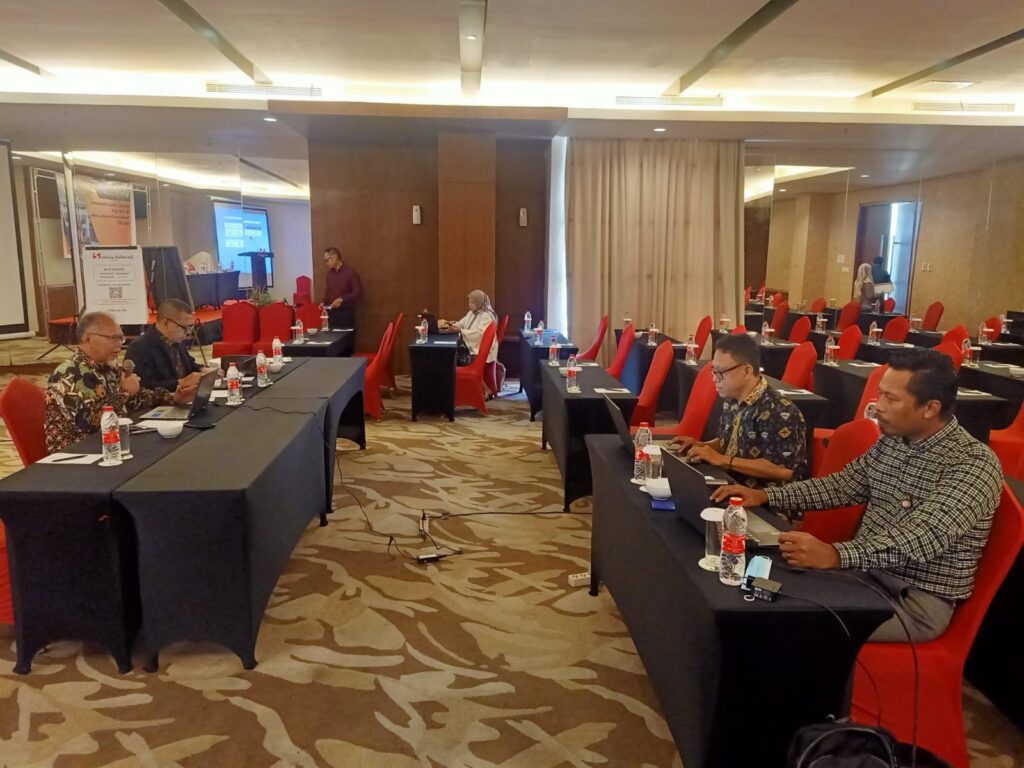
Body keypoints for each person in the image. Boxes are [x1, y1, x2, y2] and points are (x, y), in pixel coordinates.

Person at [711, 349, 1003, 642]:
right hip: (863, 575)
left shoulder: (972, 463)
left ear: (930, 408)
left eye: (891, 399)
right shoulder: (894, 440)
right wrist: (765, 496)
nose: (877, 406)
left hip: (911, 601)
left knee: (782, 624)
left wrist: (837, 554)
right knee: (756, 594)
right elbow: (842, 486)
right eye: (880, 394)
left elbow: (923, 537)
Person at [669, 333, 807, 491]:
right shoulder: (732, 399)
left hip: (763, 497)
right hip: (730, 484)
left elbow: (783, 470)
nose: (715, 379)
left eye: (721, 372)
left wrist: (723, 460)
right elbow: (727, 443)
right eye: (713, 371)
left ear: (747, 371)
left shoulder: (779, 409)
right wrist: (701, 446)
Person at [44, 312, 193, 453]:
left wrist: (172, 397)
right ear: (88, 339)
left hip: (113, 442)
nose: (119, 344)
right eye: (112, 338)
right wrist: (124, 391)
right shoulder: (68, 374)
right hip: (79, 452)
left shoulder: (108, 367)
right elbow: (89, 424)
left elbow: (135, 399)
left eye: (121, 338)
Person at [125, 299, 214, 394]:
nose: (188, 333)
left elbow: (189, 364)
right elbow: (144, 387)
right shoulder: (140, 347)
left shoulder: (177, 339)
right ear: (166, 323)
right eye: (185, 328)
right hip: (164, 400)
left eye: (190, 327)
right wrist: (181, 383)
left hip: (186, 395)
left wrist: (203, 370)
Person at [450, 290, 499, 365]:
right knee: (450, 354)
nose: (470, 304)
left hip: (479, 354)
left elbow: (480, 334)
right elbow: (461, 324)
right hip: (468, 348)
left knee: (451, 357)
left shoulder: (487, 316)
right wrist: (452, 325)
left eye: (473, 302)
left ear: (479, 302)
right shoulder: (472, 313)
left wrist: (461, 331)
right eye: (469, 302)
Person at [321, 246, 363, 334]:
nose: (326, 263)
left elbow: (358, 292)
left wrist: (341, 299)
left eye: (327, 260)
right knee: (333, 339)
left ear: (334, 257)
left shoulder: (350, 272)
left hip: (345, 313)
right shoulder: (329, 274)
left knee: (346, 340)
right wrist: (323, 302)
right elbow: (328, 291)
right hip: (332, 314)